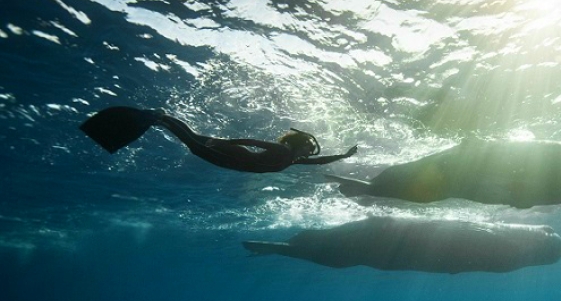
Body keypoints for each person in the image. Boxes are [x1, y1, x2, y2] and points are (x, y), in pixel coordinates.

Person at [80, 106, 357, 173]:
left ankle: (162, 118)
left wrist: (343, 156)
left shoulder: (291, 157)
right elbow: (248, 141)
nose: (309, 150)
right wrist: (220, 144)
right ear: (299, 145)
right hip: (229, 156)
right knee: (194, 141)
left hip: (228, 157)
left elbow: (318, 162)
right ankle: (160, 119)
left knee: (193, 139)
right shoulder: (285, 154)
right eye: (308, 146)